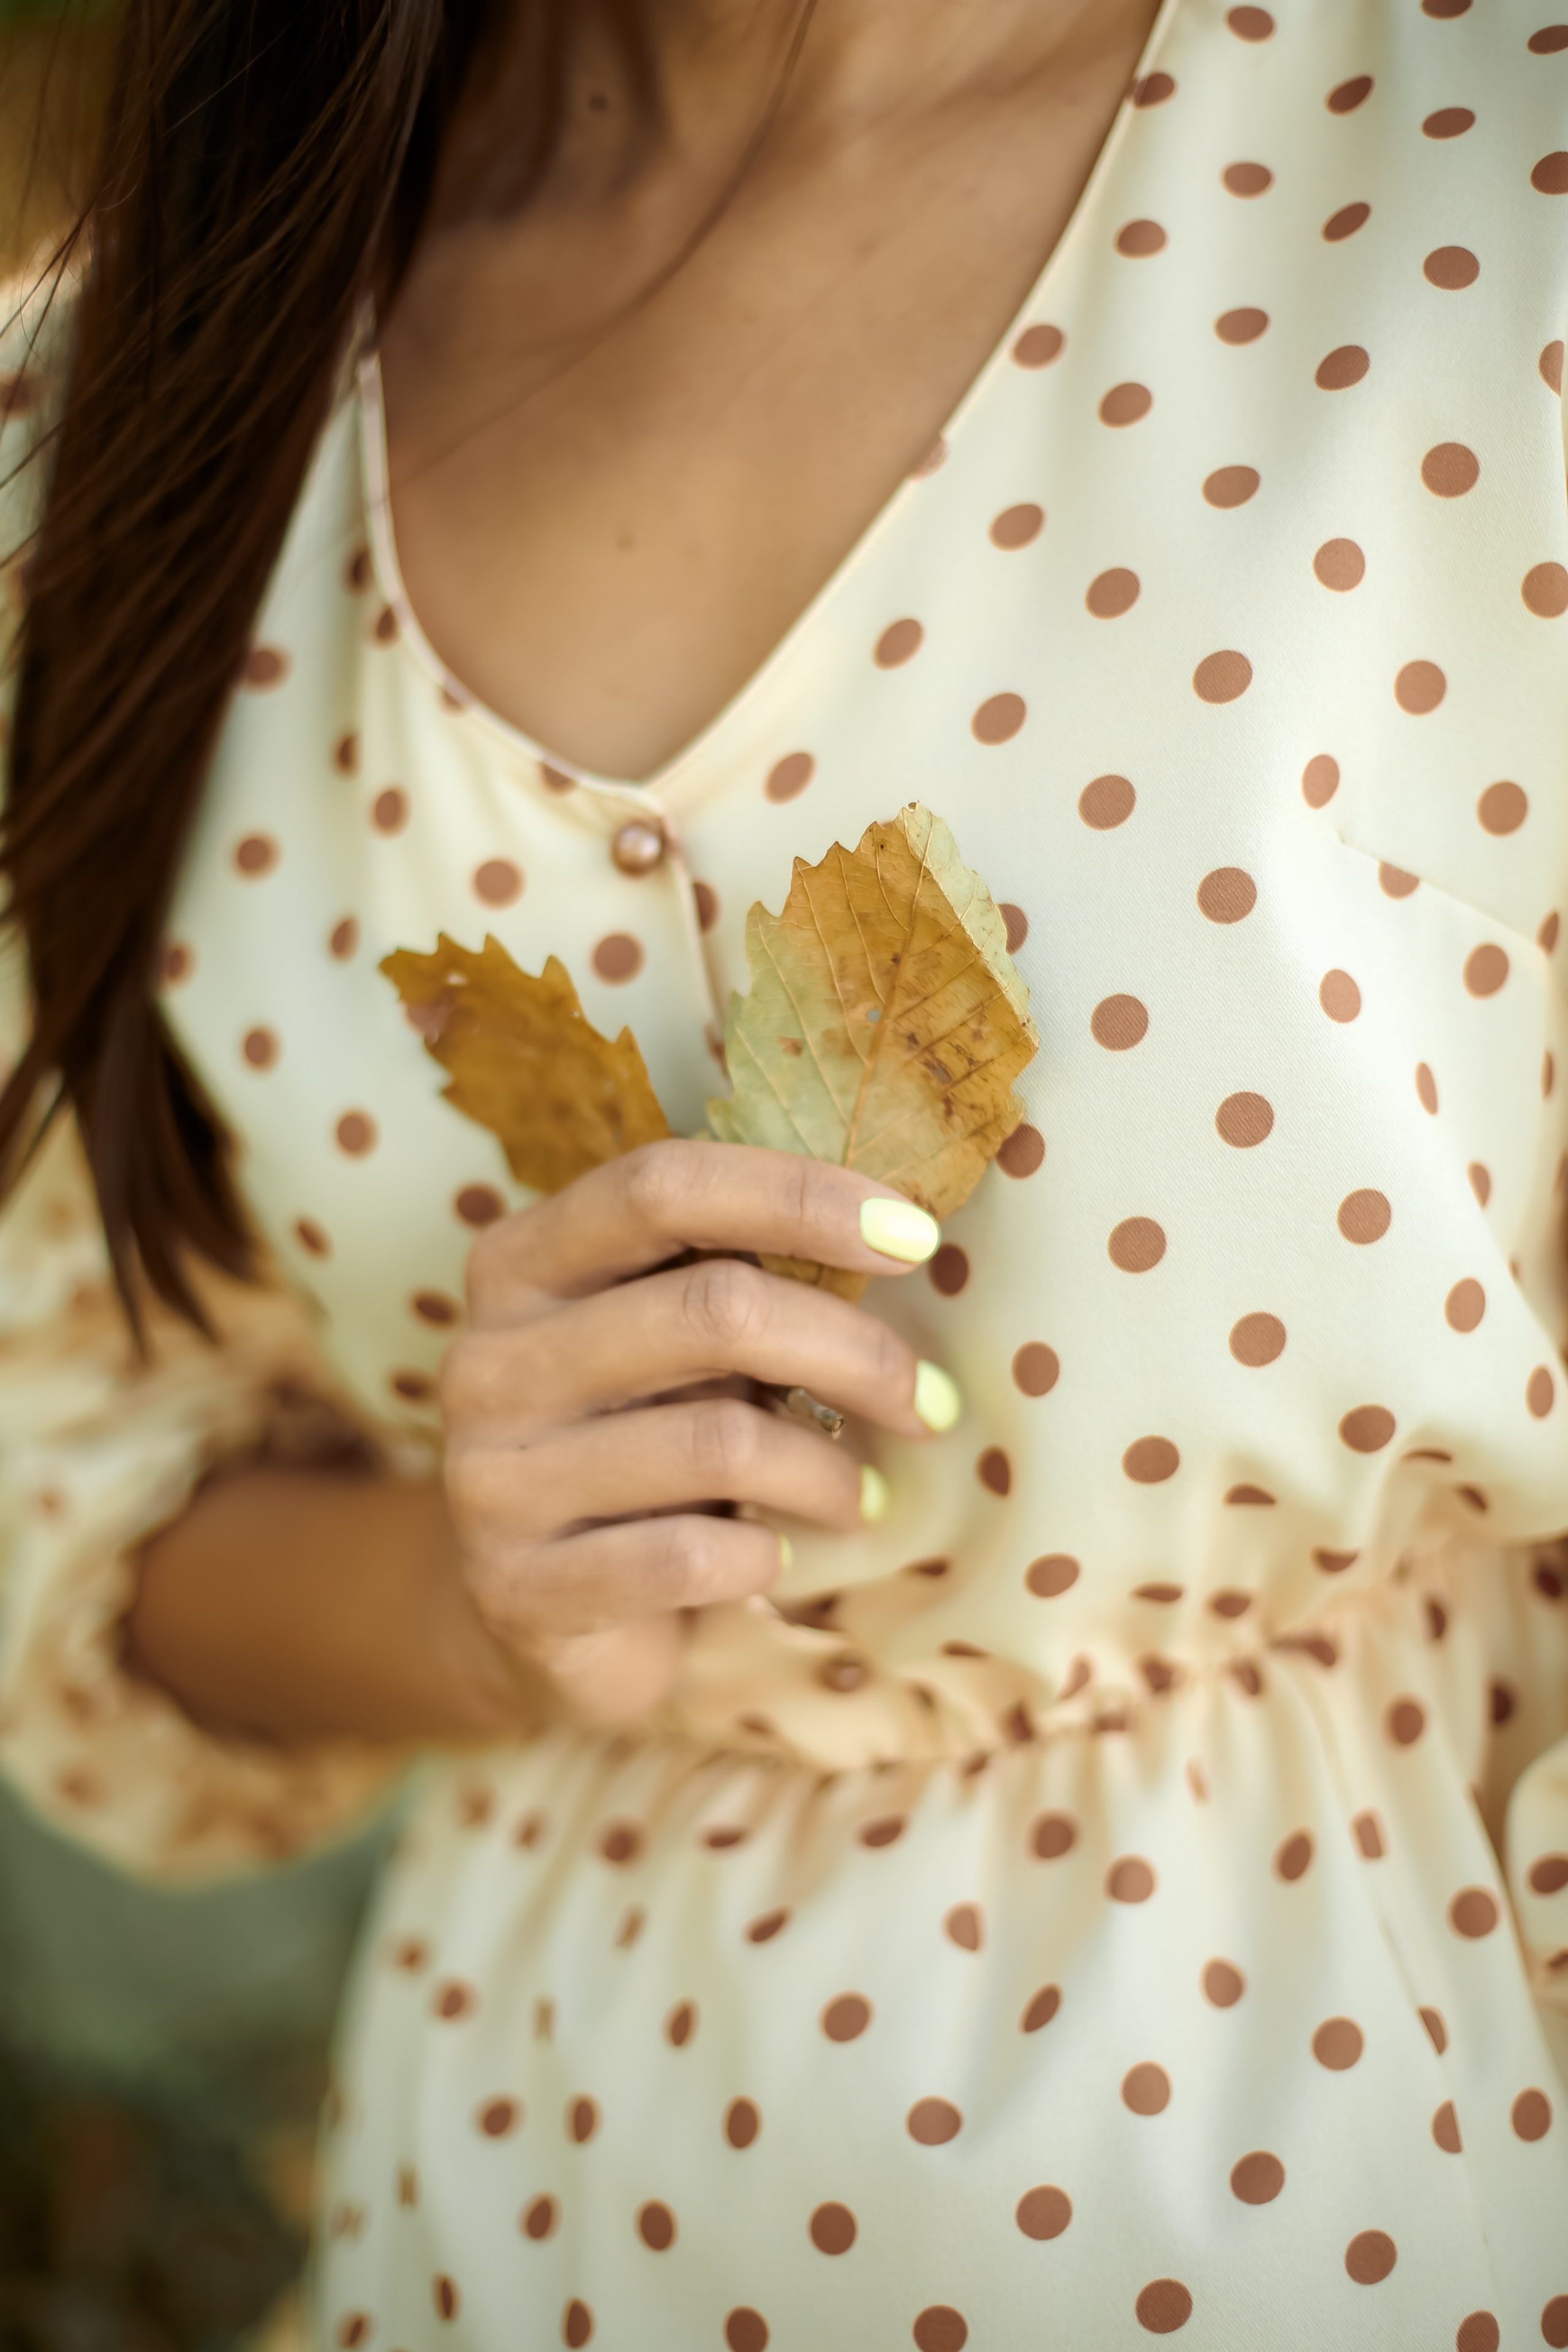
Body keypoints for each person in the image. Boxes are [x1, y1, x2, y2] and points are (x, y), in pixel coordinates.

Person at [3, 0, 1567, 2340]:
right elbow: (76, 1487)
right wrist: (472, 1598)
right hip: (522, 2219)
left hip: (1404, 2169)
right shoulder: (133, 398)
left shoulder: (1490, 188)